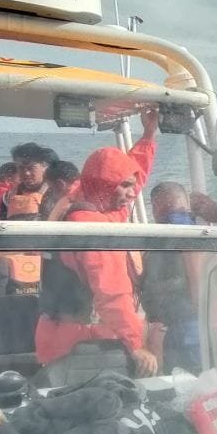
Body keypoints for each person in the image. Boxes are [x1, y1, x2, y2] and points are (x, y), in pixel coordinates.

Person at [33, 111, 159, 375]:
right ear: (105, 185)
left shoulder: (83, 196)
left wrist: (148, 135)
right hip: (85, 346)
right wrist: (136, 346)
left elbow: (128, 174)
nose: (132, 193)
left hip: (55, 336)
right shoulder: (94, 230)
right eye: (124, 186)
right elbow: (111, 294)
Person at [140, 181, 217, 374]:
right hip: (194, 329)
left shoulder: (177, 231)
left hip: (188, 332)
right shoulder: (191, 229)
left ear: (157, 206)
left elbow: (196, 278)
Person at [1, 142, 58, 220]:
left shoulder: (56, 194)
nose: (26, 173)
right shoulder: (7, 197)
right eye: (21, 168)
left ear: (45, 166)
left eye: (31, 168)